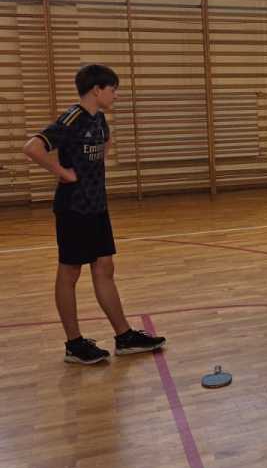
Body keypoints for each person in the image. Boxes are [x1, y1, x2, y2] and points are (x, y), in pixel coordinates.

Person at [23, 64, 166, 365]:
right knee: (70, 272)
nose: (116, 95)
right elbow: (33, 147)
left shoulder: (100, 119)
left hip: (97, 207)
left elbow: (104, 146)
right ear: (97, 90)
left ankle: (124, 336)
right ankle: (74, 344)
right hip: (74, 208)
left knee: (104, 268)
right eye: (113, 89)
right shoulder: (72, 119)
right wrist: (62, 172)